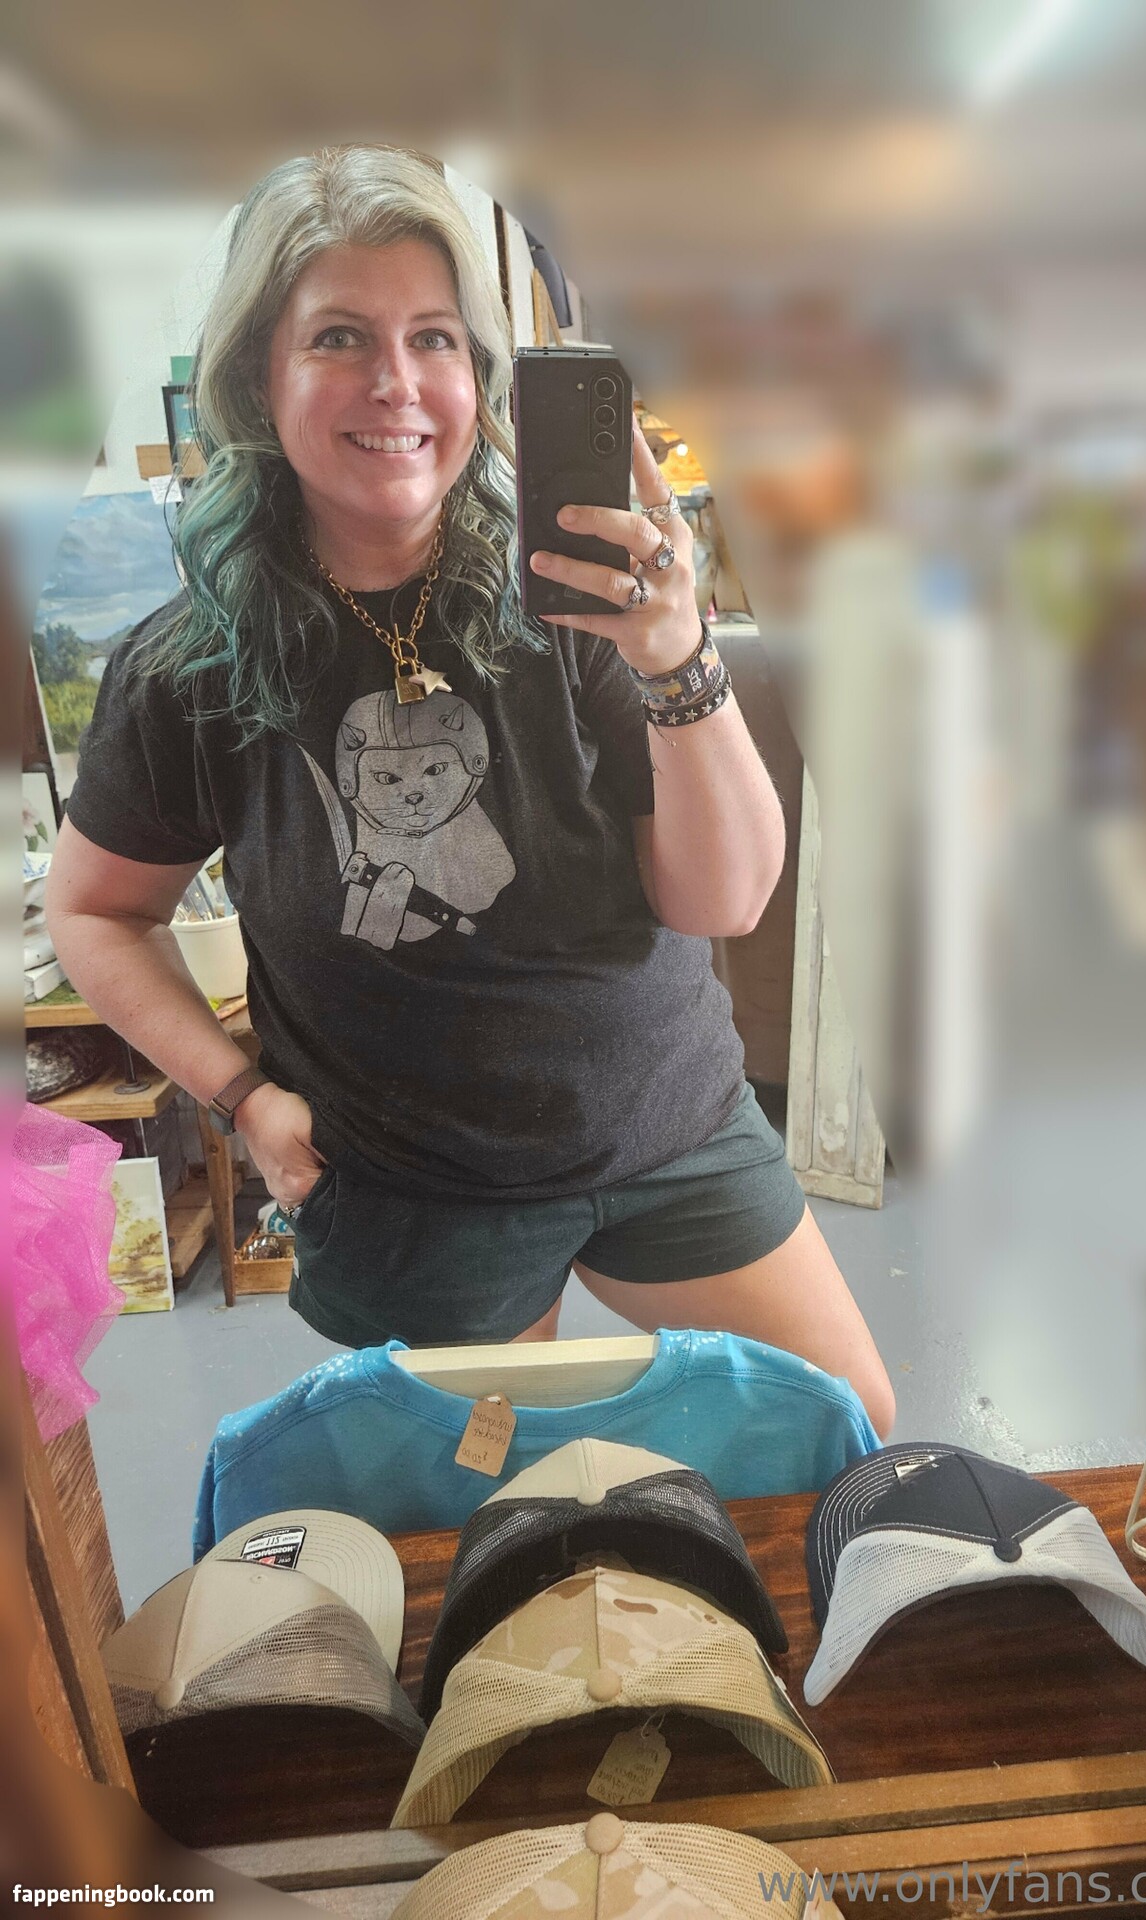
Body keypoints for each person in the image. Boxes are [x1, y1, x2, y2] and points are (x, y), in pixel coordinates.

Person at [48, 145, 895, 1436]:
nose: (396, 382)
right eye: (340, 336)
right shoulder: (192, 669)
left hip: (666, 1120)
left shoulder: (573, 600)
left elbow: (723, 899)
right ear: (258, 377)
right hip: (417, 1185)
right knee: (478, 1512)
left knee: (847, 1428)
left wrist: (677, 655)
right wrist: (242, 1098)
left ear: (481, 376)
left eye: (434, 338)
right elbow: (95, 911)